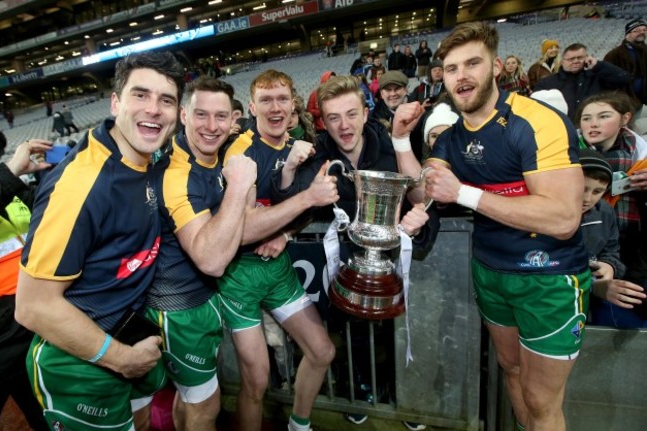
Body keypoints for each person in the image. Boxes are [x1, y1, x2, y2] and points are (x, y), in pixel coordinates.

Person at [391, 22, 590, 431]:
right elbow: (422, 193)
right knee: (511, 370)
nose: (461, 76)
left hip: (549, 276)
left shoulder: (537, 120)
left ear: (496, 67)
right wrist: (399, 141)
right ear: (442, 78)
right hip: (491, 269)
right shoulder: (450, 138)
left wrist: (462, 193)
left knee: (541, 399)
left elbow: (564, 218)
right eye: (450, 69)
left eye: (472, 64)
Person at [14, 51, 184, 431]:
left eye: (166, 100)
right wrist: (121, 358)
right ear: (116, 102)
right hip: (80, 362)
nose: (154, 109)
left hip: (127, 338)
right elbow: (32, 307)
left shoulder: (147, 160)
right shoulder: (80, 184)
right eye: (140, 95)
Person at [271, 74, 435, 431]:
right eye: (333, 118)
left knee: (397, 332)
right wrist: (286, 226)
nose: (344, 126)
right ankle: (358, 389)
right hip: (344, 265)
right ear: (323, 122)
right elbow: (296, 205)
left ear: (365, 112)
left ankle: (398, 394)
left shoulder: (394, 148)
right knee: (348, 330)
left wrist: (418, 220)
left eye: (350, 114)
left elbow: (422, 197)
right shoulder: (319, 157)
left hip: (393, 264)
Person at [131, 76, 257, 430]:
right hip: (180, 307)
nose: (211, 126)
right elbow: (212, 260)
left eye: (221, 117)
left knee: (182, 399)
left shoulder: (212, 157)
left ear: (233, 120)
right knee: (205, 406)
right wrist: (240, 186)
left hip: (183, 300)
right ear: (184, 115)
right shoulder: (178, 172)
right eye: (202, 115)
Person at [222, 69, 338, 431]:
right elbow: (240, 228)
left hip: (277, 269)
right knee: (256, 382)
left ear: (293, 105)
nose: (275, 108)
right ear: (252, 107)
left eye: (282, 99)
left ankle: (298, 425)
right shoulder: (241, 149)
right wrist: (286, 214)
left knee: (322, 351)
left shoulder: (299, 148)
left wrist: (285, 233)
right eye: (267, 100)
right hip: (239, 274)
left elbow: (311, 209)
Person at [577, 91, 647, 326]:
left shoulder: (641, 156)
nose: (593, 124)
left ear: (625, 118)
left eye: (603, 116)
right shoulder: (563, 154)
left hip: (630, 246)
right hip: (582, 256)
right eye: (586, 118)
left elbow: (611, 252)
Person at [0, 139, 52, 431]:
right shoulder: (5, 182)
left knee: (44, 411)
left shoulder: (14, 192)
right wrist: (10, 172)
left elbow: (53, 205)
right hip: (0, 335)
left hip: (32, 320)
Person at [533, 42, 631, 121]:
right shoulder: (547, 82)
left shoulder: (597, 76)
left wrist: (598, 65)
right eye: (571, 59)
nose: (576, 61)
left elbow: (624, 79)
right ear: (563, 61)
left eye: (580, 58)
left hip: (594, 126)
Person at [604, 18, 647, 112]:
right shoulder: (613, 55)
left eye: (644, 30)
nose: (642, 32)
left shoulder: (645, 51)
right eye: (637, 30)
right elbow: (607, 80)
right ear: (627, 35)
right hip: (625, 101)